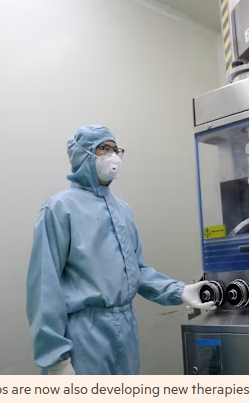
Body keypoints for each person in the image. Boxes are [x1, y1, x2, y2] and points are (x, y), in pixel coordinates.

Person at [26, 125, 215, 375]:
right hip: (84, 336)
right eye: (104, 148)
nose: (113, 156)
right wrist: (56, 359)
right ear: (83, 154)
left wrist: (179, 291)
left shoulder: (122, 209)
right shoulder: (60, 208)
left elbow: (135, 271)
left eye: (116, 150)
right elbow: (45, 286)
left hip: (126, 331)